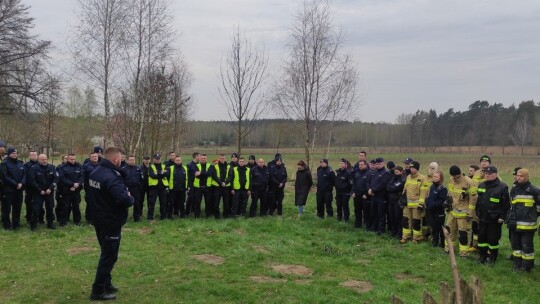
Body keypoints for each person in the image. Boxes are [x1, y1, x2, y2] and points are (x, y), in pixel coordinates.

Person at [88, 147, 134, 301]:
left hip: (99, 219)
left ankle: (106, 283)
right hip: (110, 221)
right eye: (121, 157)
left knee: (105, 253)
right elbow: (124, 199)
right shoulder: (111, 176)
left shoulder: (96, 172)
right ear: (115, 159)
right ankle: (98, 290)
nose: (122, 160)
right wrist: (129, 197)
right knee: (109, 256)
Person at [507, 168, 540, 272]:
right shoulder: (514, 189)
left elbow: (538, 208)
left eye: (521, 176)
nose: (518, 177)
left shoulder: (534, 190)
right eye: (517, 175)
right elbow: (511, 206)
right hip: (515, 224)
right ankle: (517, 264)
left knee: (527, 247)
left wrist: (532, 216)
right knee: (515, 246)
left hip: (528, 226)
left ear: (526, 177)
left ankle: (527, 267)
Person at [475, 166, 510, 265]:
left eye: (490, 174)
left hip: (494, 219)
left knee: (492, 239)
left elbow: (506, 205)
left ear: (495, 174)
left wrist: (502, 217)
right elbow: (478, 201)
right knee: (481, 238)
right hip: (482, 217)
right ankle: (482, 256)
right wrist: (477, 211)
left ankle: (492, 257)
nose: (487, 175)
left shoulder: (502, 187)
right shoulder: (481, 185)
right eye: (486, 173)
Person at [445, 165, 478, 256]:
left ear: (460, 173)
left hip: (464, 213)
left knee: (463, 234)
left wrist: (470, 212)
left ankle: (463, 253)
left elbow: (473, 199)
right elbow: (450, 193)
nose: (455, 179)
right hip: (452, 211)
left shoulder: (469, 182)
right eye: (453, 176)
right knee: (450, 230)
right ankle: (449, 249)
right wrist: (447, 203)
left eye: (457, 177)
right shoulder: (451, 180)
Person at [27, 154, 57, 230]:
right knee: (36, 209)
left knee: (50, 207)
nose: (44, 161)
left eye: (45, 159)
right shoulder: (34, 168)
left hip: (49, 192)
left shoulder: (52, 167)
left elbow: (56, 179)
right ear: (39, 160)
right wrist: (39, 190)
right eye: (42, 159)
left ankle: (50, 224)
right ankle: (34, 225)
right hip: (38, 192)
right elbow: (32, 181)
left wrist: (50, 188)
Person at [400, 161, 426, 243]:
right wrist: (402, 200)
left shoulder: (422, 178)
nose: (411, 169)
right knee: (406, 220)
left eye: (413, 168)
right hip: (407, 204)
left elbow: (423, 192)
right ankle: (405, 237)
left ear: (417, 169)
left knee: (416, 222)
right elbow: (405, 190)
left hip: (416, 205)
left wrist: (421, 204)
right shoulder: (408, 177)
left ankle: (416, 238)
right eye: (411, 168)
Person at [0, 147, 26, 230]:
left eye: (16, 153)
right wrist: (15, 184)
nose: (15, 155)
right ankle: (7, 225)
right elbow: (5, 176)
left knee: (17, 208)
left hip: (19, 190)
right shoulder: (5, 163)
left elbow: (24, 174)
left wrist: (22, 183)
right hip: (8, 190)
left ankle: (16, 223)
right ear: (9, 154)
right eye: (13, 153)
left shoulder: (20, 163)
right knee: (6, 209)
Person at [57, 154, 84, 226]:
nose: (73, 160)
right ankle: (63, 221)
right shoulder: (62, 167)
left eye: (74, 159)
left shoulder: (79, 166)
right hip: (66, 190)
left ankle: (77, 221)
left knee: (76, 206)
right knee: (65, 206)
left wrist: (77, 185)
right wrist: (72, 184)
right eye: (71, 159)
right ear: (68, 159)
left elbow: (82, 177)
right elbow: (62, 178)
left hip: (76, 190)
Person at [425, 170, 447, 247]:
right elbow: (428, 197)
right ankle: (435, 242)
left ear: (441, 178)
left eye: (436, 177)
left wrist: (432, 205)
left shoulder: (443, 189)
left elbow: (441, 201)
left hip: (439, 212)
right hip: (431, 211)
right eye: (434, 176)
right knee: (433, 227)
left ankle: (442, 243)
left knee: (440, 228)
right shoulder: (431, 186)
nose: (434, 178)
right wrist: (427, 203)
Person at [368, 157, 390, 234]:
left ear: (383, 163)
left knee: (381, 214)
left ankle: (381, 230)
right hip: (373, 196)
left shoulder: (386, 173)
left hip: (381, 196)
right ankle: (374, 227)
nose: (378, 165)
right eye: (377, 164)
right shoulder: (374, 172)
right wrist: (369, 189)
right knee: (373, 213)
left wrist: (373, 190)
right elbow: (369, 181)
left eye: (379, 164)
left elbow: (383, 184)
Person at [147, 153, 169, 220]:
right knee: (152, 203)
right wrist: (162, 173)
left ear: (160, 159)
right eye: (156, 159)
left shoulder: (164, 165)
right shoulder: (151, 166)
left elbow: (167, 174)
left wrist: (158, 173)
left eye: (159, 158)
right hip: (154, 188)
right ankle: (150, 217)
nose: (157, 160)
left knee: (163, 203)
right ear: (153, 159)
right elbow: (152, 176)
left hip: (163, 187)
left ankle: (163, 217)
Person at [387, 166, 406, 239]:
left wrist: (391, 188)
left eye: (397, 172)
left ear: (401, 172)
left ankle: (399, 233)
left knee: (398, 217)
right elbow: (388, 187)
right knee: (391, 216)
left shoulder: (402, 179)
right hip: (391, 200)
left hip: (397, 201)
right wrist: (391, 188)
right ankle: (393, 231)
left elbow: (396, 187)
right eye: (395, 172)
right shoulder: (392, 178)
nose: (396, 173)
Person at [193, 154, 213, 218]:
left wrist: (201, 173)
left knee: (208, 202)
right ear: (200, 159)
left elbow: (210, 174)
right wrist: (205, 174)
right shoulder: (196, 165)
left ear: (206, 159)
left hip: (208, 187)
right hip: (198, 187)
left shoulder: (210, 166)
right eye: (202, 158)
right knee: (197, 202)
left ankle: (208, 215)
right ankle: (197, 216)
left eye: (204, 158)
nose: (203, 159)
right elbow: (196, 175)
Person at [124, 155, 143, 221]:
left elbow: (141, 179)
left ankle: (137, 217)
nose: (132, 161)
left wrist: (139, 187)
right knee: (125, 203)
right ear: (127, 160)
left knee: (137, 203)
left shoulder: (138, 169)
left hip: (136, 189)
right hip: (127, 189)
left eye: (133, 160)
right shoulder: (124, 169)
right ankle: (124, 217)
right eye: (130, 160)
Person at [211, 154, 230, 218]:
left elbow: (230, 176)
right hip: (217, 187)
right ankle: (217, 216)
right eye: (221, 158)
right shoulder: (215, 166)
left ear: (225, 159)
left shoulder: (229, 166)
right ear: (219, 159)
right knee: (216, 202)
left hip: (226, 187)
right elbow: (214, 176)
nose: (222, 159)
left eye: (223, 158)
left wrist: (225, 183)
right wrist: (221, 183)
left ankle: (226, 215)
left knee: (226, 203)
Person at [83, 152, 100, 224]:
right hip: (90, 188)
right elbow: (83, 177)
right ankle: (89, 218)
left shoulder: (101, 166)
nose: (95, 157)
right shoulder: (86, 166)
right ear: (90, 158)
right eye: (93, 156)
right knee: (90, 204)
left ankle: (98, 218)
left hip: (99, 188)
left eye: (96, 156)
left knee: (99, 203)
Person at [352, 160, 370, 228]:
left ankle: (367, 225)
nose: (360, 166)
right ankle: (357, 224)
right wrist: (353, 192)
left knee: (366, 211)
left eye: (361, 165)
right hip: (356, 195)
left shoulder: (368, 173)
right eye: (359, 165)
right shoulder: (357, 173)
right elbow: (354, 183)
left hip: (364, 196)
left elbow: (369, 185)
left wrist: (366, 194)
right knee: (357, 211)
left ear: (365, 165)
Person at [335, 158, 352, 222]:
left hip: (345, 192)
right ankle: (339, 218)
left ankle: (346, 218)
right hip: (338, 192)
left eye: (342, 163)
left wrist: (347, 190)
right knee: (338, 205)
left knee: (345, 205)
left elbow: (350, 183)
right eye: (340, 163)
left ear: (345, 165)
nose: (341, 164)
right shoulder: (337, 172)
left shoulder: (348, 173)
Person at [24, 150, 39, 224]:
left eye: (35, 154)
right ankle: (29, 218)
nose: (34, 156)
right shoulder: (26, 165)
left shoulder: (40, 164)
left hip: (38, 188)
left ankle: (39, 218)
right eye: (32, 155)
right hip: (29, 188)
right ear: (29, 156)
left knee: (38, 204)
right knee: (29, 203)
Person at [186, 152, 200, 217]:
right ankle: (187, 211)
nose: (200, 157)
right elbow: (194, 174)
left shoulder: (199, 164)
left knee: (196, 198)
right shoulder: (190, 165)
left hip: (197, 184)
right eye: (199, 156)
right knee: (190, 197)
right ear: (196, 156)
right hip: (191, 184)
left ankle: (193, 210)